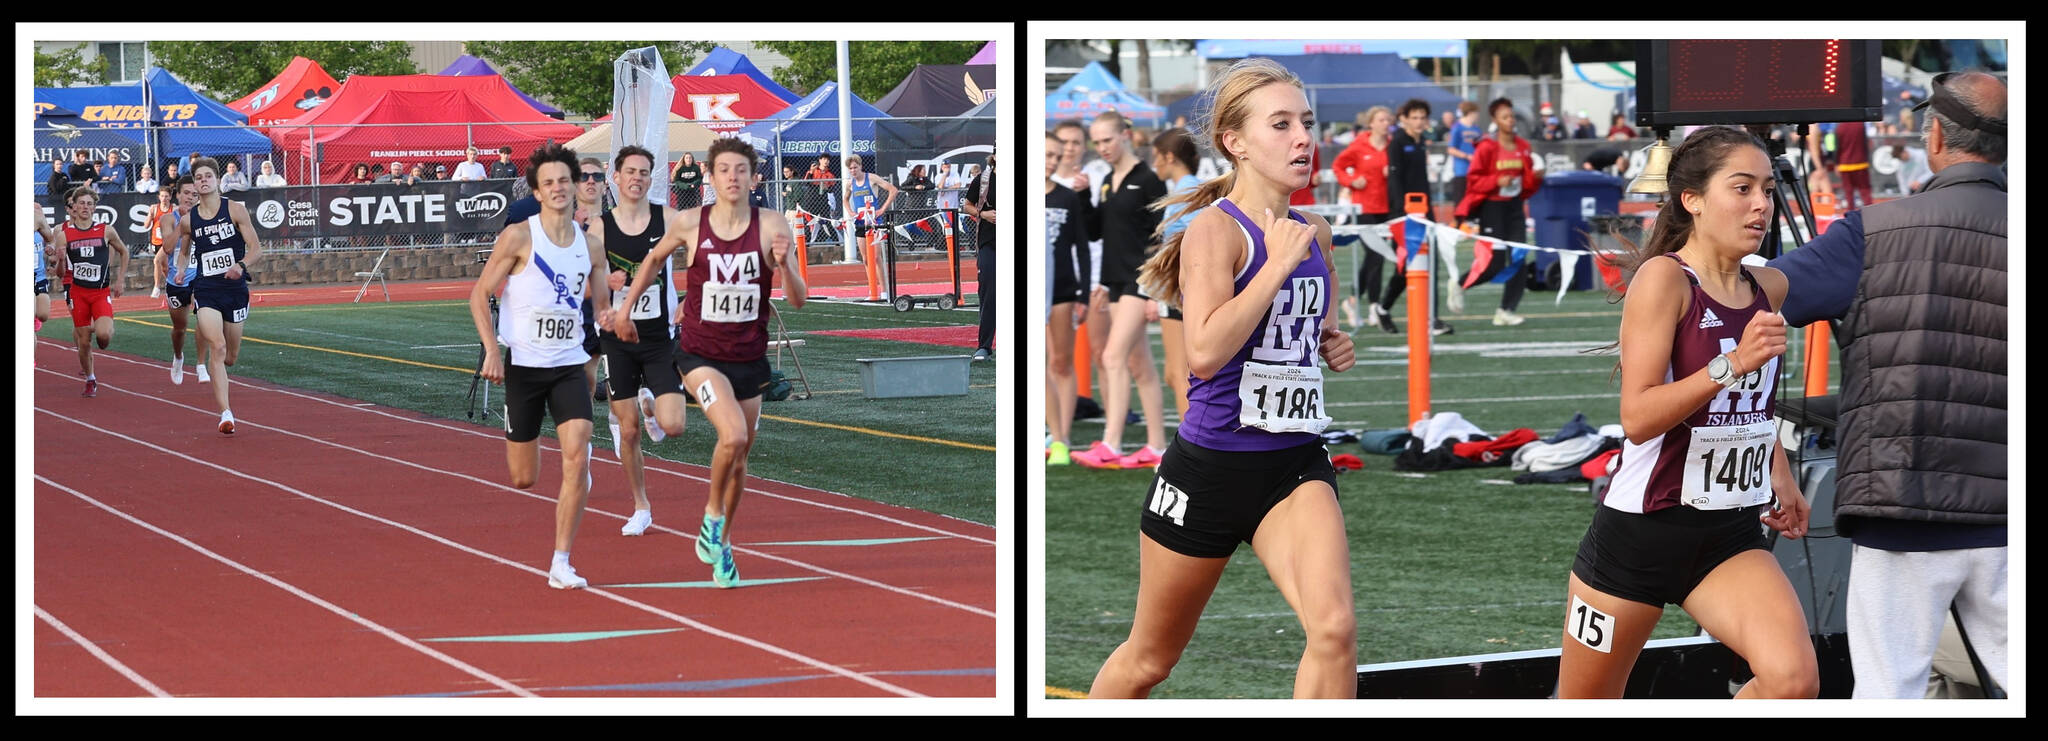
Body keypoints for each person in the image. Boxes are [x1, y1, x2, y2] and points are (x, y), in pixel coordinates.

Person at [1092, 58, 1357, 699]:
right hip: (1210, 470)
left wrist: (1324, 340)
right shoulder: (1215, 230)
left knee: (1335, 631)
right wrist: (1275, 268)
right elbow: (1205, 351)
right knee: (1149, 660)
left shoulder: (1314, 231)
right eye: (1282, 124)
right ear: (1235, 143)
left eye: (1307, 123)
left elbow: (1289, 333)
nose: (1303, 138)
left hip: (1293, 461)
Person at [1765, 70, 2006, 699]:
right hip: (2009, 512)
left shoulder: (1871, 230)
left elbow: (1755, 297)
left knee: (1886, 692)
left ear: (1933, 136)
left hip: (1903, 502)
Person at [1557, 125, 1816, 700]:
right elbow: (1639, 417)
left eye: (1768, 190)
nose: (1761, 206)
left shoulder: (1767, 285)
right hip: (1642, 535)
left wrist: (1779, 472)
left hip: (1728, 533)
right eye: (1742, 188)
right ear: (1692, 200)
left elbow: (1748, 402)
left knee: (1792, 682)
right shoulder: (1665, 280)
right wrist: (1732, 362)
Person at [614, 136, 806, 589]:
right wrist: (625, 310)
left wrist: (786, 266)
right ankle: (711, 518)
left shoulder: (772, 224)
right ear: (710, 175)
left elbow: (797, 299)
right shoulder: (688, 223)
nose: (733, 178)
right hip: (699, 352)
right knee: (733, 434)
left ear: (755, 177)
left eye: (741, 170)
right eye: (724, 170)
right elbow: (652, 260)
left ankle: (721, 542)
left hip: (750, 357)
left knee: (739, 461)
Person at [469, 144, 610, 590]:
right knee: (523, 477)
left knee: (578, 449)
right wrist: (493, 350)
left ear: (576, 188)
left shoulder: (591, 246)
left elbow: (602, 307)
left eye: (565, 181)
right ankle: (557, 463)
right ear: (537, 190)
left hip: (568, 364)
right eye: (548, 183)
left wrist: (613, 322)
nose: (559, 189)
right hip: (524, 367)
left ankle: (561, 561)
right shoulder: (519, 237)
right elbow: (478, 294)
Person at [595, 145, 689, 537]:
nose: (637, 178)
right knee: (628, 431)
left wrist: (691, 300)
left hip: (658, 337)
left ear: (652, 179)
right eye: (630, 171)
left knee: (675, 425)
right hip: (617, 339)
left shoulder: (667, 218)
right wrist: (604, 298)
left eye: (644, 172)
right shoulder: (600, 228)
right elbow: (589, 275)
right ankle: (641, 506)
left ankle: (654, 409)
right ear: (615, 178)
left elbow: (702, 253)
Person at [1069, 110, 1168, 471]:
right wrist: (1083, 196)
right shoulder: (1109, 179)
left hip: (1137, 280)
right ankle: (1157, 446)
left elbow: (1163, 237)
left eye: (1107, 139)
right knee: (1139, 365)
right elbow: (1097, 230)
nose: (1101, 147)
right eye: (1096, 142)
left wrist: (1157, 291)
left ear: (1126, 135)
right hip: (1114, 279)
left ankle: (1111, 442)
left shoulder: (1149, 179)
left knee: (1112, 356)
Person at [173, 157, 264, 434]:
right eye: (198, 177)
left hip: (235, 290)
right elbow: (182, 249)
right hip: (206, 289)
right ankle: (226, 413)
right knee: (218, 346)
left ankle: (219, 374)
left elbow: (257, 248)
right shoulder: (189, 220)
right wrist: (179, 270)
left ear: (216, 179)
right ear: (194, 184)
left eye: (207, 176)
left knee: (231, 356)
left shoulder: (235, 210)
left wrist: (241, 265)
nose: (203, 180)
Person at [1455, 97, 1544, 327]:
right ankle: (1460, 283)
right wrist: (1497, 180)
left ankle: (1506, 310)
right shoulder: (1486, 147)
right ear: (1495, 120)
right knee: (1494, 264)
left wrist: (1535, 180)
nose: (1511, 120)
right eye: (1505, 117)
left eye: (1512, 116)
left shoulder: (1523, 146)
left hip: (1514, 207)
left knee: (1519, 259)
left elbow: (1526, 187)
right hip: (1492, 208)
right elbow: (1473, 181)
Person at [1374, 97, 1453, 336]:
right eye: (1414, 117)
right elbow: (1395, 182)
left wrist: (1428, 212)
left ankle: (1431, 318)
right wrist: (1400, 213)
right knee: (1407, 267)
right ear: (1404, 119)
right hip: (1405, 215)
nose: (1419, 122)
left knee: (1428, 265)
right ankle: (1384, 308)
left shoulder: (1421, 143)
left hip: (1424, 212)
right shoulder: (1398, 143)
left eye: (1423, 117)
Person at [51, 186, 129, 398]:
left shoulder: (106, 230)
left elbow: (124, 252)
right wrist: (59, 259)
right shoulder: (64, 235)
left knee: (103, 337)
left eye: (89, 204)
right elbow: (60, 273)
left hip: (100, 292)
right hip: (78, 293)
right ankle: (90, 379)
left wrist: (120, 280)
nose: (85, 207)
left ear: (95, 207)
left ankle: (101, 332)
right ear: (74, 206)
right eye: (81, 203)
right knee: (84, 340)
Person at [1149, 128, 1202, 423]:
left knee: (1181, 375)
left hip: (1183, 293)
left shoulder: (1187, 190)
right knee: (1175, 374)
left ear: (1169, 157)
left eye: (1156, 156)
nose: (1154, 163)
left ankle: (1192, 448)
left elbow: (1199, 242)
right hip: (1177, 291)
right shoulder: (1187, 188)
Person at [1045, 131, 1090, 467]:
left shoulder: (1067, 197)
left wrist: (1083, 292)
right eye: (1046, 154)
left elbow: (1081, 247)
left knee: (1061, 361)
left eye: (1055, 156)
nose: (1050, 162)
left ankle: (1062, 436)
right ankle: (1053, 427)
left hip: (1062, 289)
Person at [1332, 105, 1396, 333]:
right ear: (1371, 123)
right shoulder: (1360, 145)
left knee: (1376, 258)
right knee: (1376, 256)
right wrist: (1352, 181)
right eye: (1381, 119)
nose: (1386, 123)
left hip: (1387, 207)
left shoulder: (1393, 145)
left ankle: (1355, 301)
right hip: (1365, 207)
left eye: (1388, 119)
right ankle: (1371, 305)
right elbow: (1339, 166)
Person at [157, 176, 208, 385]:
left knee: (205, 318)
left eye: (195, 194)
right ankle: (178, 357)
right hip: (177, 281)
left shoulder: (205, 217)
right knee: (180, 327)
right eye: (186, 193)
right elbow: (167, 247)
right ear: (177, 195)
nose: (190, 197)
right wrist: (183, 223)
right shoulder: (168, 219)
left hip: (201, 276)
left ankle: (201, 364)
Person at [961, 152, 996, 361]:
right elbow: (967, 204)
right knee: (989, 291)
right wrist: (982, 214)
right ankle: (984, 346)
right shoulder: (983, 179)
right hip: (989, 242)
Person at [841, 154, 899, 248]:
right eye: (850, 168)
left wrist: (882, 210)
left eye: (855, 167)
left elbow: (893, 190)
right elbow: (845, 200)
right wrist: (851, 212)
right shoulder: (850, 183)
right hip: (860, 221)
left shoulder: (871, 178)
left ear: (861, 166)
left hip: (874, 220)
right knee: (865, 258)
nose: (853, 170)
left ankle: (879, 263)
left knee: (875, 257)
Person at [1445, 101, 1483, 223]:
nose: (1477, 115)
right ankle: (1459, 223)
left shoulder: (1476, 129)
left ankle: (1472, 222)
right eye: (1476, 113)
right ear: (1471, 112)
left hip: (1476, 170)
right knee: (1460, 198)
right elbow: (1451, 149)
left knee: (1475, 197)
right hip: (1462, 170)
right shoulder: (1457, 128)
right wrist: (1467, 156)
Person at [1833, 119, 1874, 209]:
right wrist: (1867, 160)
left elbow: (1837, 148)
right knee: (1865, 191)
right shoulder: (1860, 124)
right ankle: (1871, 212)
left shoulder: (1840, 127)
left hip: (1845, 165)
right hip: (1861, 163)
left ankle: (1851, 214)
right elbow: (1865, 144)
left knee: (1848, 192)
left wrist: (1836, 164)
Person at [145, 185, 176, 301]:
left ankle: (157, 287)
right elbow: (146, 225)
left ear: (170, 197)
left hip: (168, 241)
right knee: (164, 268)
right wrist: (150, 216)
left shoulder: (174, 209)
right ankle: (172, 287)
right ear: (159, 197)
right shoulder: (154, 208)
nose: (164, 198)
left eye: (166, 196)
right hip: (156, 241)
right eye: (162, 196)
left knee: (156, 261)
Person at [32, 202, 54, 329]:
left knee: (43, 314)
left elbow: (51, 240)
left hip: (39, 276)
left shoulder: (39, 224)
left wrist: (51, 247)